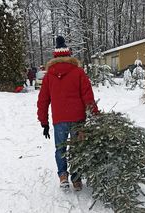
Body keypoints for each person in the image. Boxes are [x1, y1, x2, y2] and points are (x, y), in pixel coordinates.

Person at [37, 36, 99, 191]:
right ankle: (77, 179)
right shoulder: (78, 72)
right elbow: (88, 96)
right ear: (68, 54)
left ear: (55, 56)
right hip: (78, 118)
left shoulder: (49, 75)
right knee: (77, 148)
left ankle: (63, 176)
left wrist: (44, 122)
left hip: (60, 120)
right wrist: (95, 114)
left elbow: (43, 100)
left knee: (60, 149)